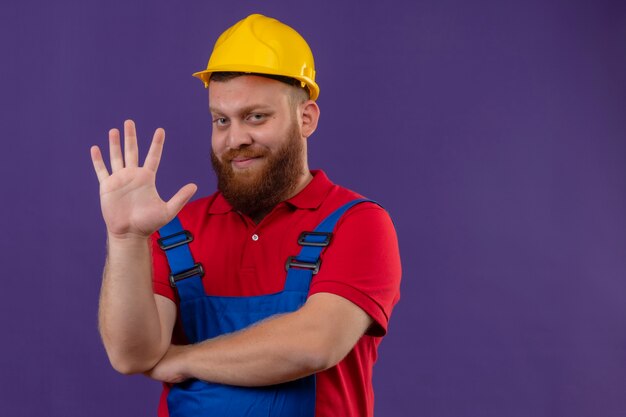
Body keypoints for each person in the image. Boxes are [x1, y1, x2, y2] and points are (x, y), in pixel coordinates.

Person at [90, 13, 401, 417]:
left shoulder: (358, 223)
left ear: (305, 118)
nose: (236, 138)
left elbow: (313, 343)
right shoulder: (174, 228)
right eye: (222, 120)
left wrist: (182, 360)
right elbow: (131, 355)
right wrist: (126, 239)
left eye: (256, 116)